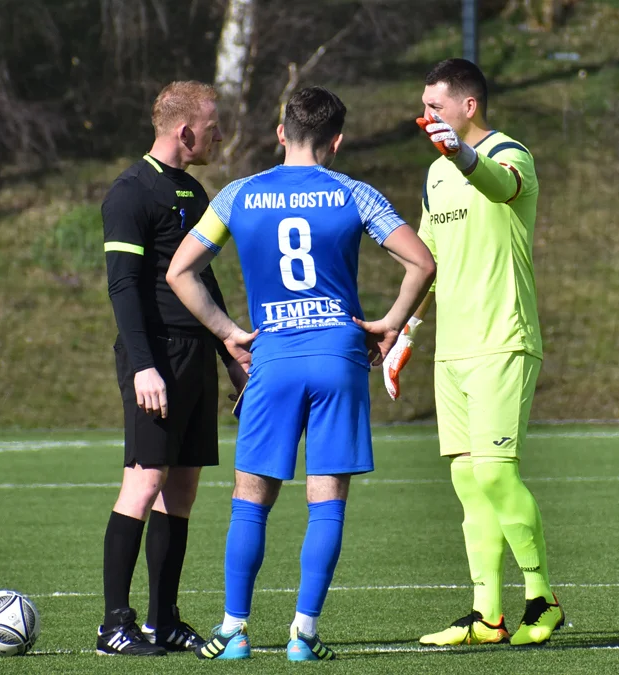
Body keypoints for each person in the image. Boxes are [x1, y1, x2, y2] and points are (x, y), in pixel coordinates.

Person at [166, 86, 436, 661]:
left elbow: (180, 271)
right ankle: (304, 635)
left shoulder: (238, 195)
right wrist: (389, 323)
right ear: (336, 141)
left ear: (281, 133)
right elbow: (422, 262)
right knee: (326, 502)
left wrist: (227, 331)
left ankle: (233, 630)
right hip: (339, 356)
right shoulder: (355, 194)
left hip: (274, 358)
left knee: (250, 500)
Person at [384, 58, 564, 647]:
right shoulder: (436, 177)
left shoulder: (514, 155)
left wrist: (459, 155)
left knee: (494, 471)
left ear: (469, 106)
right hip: (454, 350)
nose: (426, 115)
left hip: (503, 340)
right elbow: (426, 262)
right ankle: (487, 615)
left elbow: (500, 184)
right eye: (423, 105)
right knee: (467, 480)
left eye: (436, 105)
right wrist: (403, 333)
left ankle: (543, 598)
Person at [96, 80, 249, 657]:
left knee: (181, 490)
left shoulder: (193, 191)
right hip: (153, 356)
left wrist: (229, 350)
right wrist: (143, 365)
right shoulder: (130, 193)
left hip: (193, 356)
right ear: (184, 131)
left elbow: (201, 281)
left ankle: (164, 619)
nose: (219, 134)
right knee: (144, 482)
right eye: (213, 125)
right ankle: (115, 623)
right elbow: (123, 287)